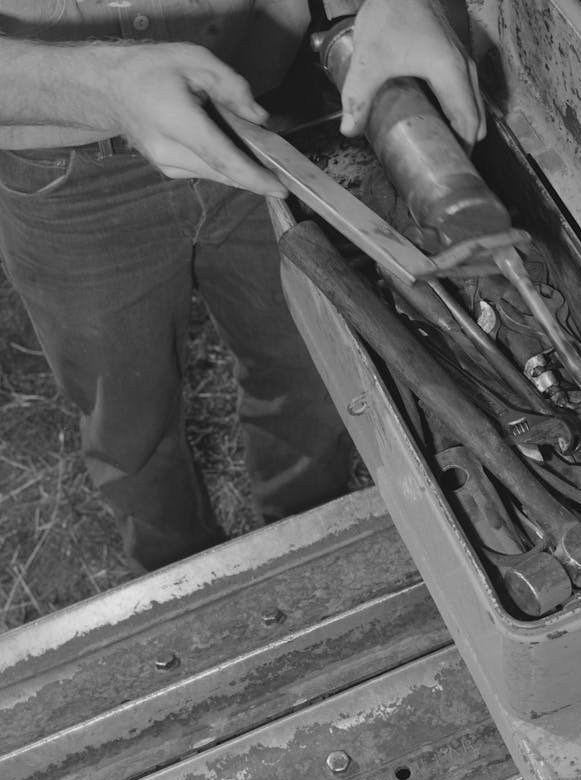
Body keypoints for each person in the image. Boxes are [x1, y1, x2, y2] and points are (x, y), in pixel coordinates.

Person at [0, 0, 486, 571]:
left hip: (267, 120)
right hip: (66, 172)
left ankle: (306, 545)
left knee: (308, 371)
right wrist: (104, 85)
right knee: (126, 420)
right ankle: (179, 580)